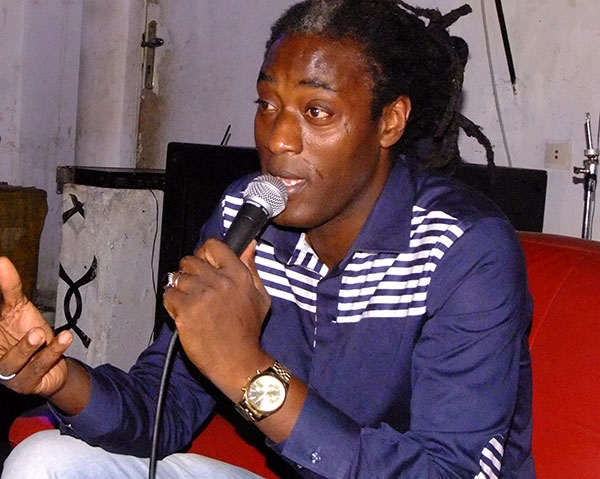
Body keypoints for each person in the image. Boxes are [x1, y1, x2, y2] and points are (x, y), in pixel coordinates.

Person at [0, 0, 535, 477]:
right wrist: (57, 378)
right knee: (44, 461)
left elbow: (449, 471)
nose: (278, 138)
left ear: (389, 122)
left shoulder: (464, 250)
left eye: (316, 111)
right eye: (267, 104)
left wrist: (246, 369)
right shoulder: (247, 215)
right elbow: (163, 407)